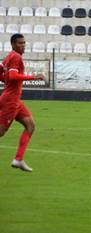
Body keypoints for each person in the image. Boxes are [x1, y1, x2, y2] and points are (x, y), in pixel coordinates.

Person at [0, 33, 44, 172]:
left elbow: (4, 74)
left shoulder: (8, 57)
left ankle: (18, 159)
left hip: (15, 100)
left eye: (24, 43)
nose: (23, 45)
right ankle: (18, 159)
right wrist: (34, 77)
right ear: (13, 44)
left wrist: (6, 81)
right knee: (1, 132)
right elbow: (13, 76)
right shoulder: (16, 57)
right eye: (20, 43)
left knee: (30, 126)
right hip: (10, 101)